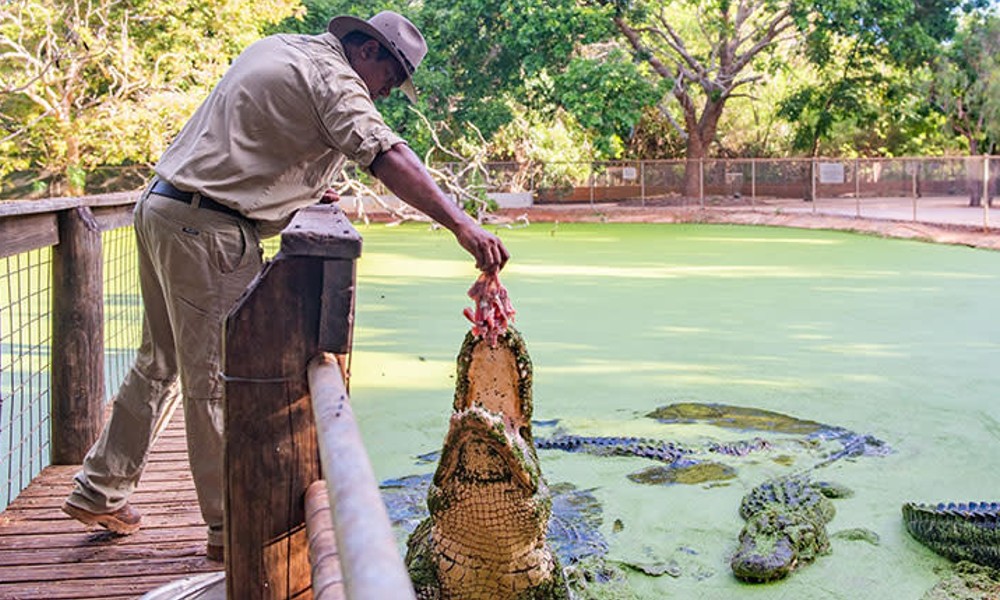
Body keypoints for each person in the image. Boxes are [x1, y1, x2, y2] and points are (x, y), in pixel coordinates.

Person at [60, 11, 510, 562]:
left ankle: (99, 489)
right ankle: (234, 532)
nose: (385, 95)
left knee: (159, 363)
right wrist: (462, 224)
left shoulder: (285, 47)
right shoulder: (336, 79)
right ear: (366, 51)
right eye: (388, 81)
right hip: (209, 232)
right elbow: (386, 154)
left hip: (165, 207)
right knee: (222, 381)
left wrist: (300, 191)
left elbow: (260, 140)